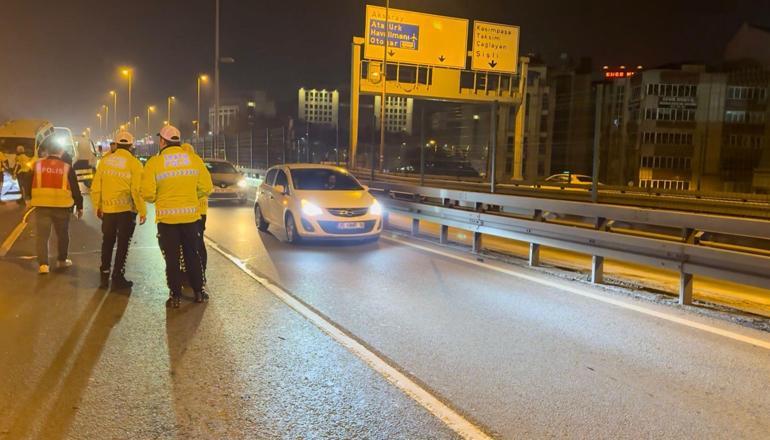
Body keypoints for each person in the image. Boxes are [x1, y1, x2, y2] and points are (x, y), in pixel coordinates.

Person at [141, 125, 212, 308]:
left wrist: (162, 199)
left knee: (172, 259)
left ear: (162, 141)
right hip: (190, 219)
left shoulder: (154, 163)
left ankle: (175, 296)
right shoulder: (194, 160)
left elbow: (147, 193)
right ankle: (198, 292)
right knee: (192, 255)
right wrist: (190, 198)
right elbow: (206, 188)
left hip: (167, 221)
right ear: (178, 141)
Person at [91, 131, 147, 290]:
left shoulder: (104, 161)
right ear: (131, 146)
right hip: (126, 210)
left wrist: (98, 205)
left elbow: (96, 187)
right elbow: (136, 190)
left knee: (107, 241)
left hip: (108, 210)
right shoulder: (134, 163)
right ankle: (118, 276)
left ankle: (104, 274)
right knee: (123, 244)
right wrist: (142, 210)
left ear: (114, 144)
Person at [30, 135, 83, 274]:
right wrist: (80, 206)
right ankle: (61, 260)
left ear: (47, 151)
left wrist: (28, 198)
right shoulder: (67, 167)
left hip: (41, 205)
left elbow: (29, 181)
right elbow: (75, 189)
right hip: (62, 206)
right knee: (62, 235)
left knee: (42, 236)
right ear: (61, 151)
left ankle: (43, 265)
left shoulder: (38, 165)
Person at [181, 143, 209, 282]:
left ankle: (195, 274)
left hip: (191, 212)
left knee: (191, 245)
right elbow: (206, 187)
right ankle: (200, 273)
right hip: (201, 212)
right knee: (198, 242)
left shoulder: (188, 165)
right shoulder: (198, 163)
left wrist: (190, 196)